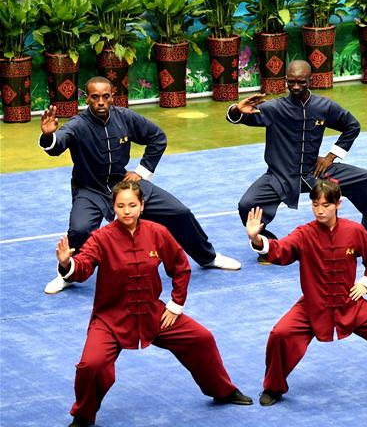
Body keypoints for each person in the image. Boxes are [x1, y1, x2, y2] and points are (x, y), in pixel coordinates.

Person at [57, 181, 252, 427]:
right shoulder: (100, 238)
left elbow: (180, 266)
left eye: (132, 205)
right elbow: (82, 267)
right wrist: (67, 264)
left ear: (142, 206)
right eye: (120, 206)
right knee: (91, 365)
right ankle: (84, 413)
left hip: (153, 314)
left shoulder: (158, 232)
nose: (127, 211)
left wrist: (176, 304)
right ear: (113, 207)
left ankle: (223, 391)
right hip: (110, 319)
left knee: (201, 339)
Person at [40, 77, 241, 294]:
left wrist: (142, 172)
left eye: (105, 96)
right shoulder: (77, 125)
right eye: (95, 97)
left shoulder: (125, 117)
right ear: (87, 99)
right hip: (90, 189)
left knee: (179, 212)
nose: (101, 102)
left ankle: (208, 257)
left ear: (113, 97)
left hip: (125, 184)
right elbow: (57, 145)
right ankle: (67, 274)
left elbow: (157, 137)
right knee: (80, 229)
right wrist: (49, 136)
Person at [245, 180, 367, 406]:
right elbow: (281, 250)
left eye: (326, 205)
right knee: (280, 335)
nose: (319, 210)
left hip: (350, 304)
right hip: (312, 306)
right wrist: (257, 239)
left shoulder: (354, 231)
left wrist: (366, 283)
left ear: (338, 204)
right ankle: (273, 387)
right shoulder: (303, 234)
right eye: (315, 205)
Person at [227, 60, 367, 254]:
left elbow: (352, 126)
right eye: (291, 81)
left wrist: (330, 157)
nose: (295, 86)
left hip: (317, 173)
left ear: (310, 80)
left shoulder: (324, 106)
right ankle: (267, 245)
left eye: (301, 82)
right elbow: (238, 117)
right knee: (247, 205)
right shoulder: (274, 108)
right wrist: (236, 110)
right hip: (280, 176)